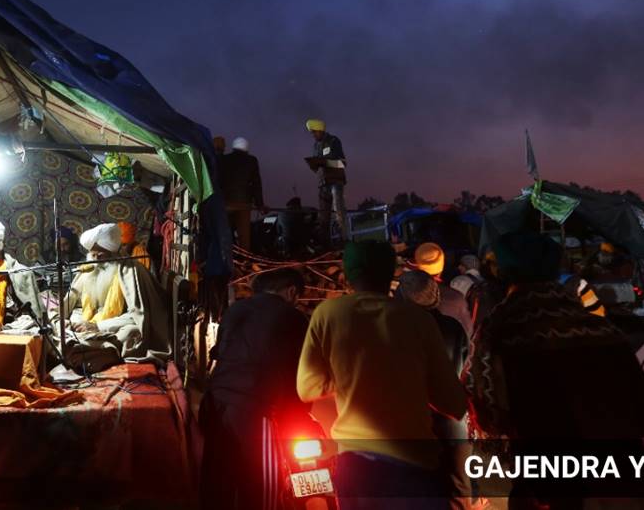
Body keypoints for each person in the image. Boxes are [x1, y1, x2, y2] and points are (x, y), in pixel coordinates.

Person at [463, 232, 644, 508]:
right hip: (620, 480)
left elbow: (487, 415)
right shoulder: (601, 329)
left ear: (504, 273)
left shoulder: (497, 334)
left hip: (553, 487)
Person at [298, 241, 466, 508]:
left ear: (348, 274)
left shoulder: (327, 314)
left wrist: (350, 375)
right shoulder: (418, 319)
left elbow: (308, 388)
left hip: (356, 467)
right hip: (413, 463)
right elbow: (453, 403)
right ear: (391, 273)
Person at [200, 268, 311, 510]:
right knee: (261, 488)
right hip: (255, 408)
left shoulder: (235, 310)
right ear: (292, 292)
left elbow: (219, 352)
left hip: (215, 404)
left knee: (218, 482)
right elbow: (302, 368)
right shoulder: (292, 317)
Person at [397, 270, 476, 510]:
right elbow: (465, 368)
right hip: (453, 419)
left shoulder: (398, 330)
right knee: (458, 488)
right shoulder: (452, 326)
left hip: (414, 419)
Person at [62, 223, 172, 368]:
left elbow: (138, 315)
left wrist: (98, 326)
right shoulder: (88, 270)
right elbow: (72, 302)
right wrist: (72, 321)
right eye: (93, 255)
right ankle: (86, 350)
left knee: (131, 333)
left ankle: (88, 352)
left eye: (101, 256)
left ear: (114, 254)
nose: (96, 260)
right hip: (87, 322)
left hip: (115, 324)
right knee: (63, 328)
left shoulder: (130, 272)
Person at [304, 119, 349, 244]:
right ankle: (325, 245)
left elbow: (342, 163)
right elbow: (318, 166)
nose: (313, 135)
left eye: (314, 132)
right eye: (311, 133)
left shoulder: (334, 141)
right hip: (323, 184)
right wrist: (314, 165)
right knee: (323, 217)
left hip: (336, 182)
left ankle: (344, 242)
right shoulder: (316, 146)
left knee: (338, 212)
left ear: (320, 130)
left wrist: (324, 162)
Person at [416, 243, 474, 339]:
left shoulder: (407, 297)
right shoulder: (456, 298)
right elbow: (468, 331)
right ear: (442, 265)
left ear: (418, 266)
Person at [218, 136, 266, 251]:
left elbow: (218, 181)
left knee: (226, 234)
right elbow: (256, 184)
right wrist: (260, 204)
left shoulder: (224, 160)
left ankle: (227, 261)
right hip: (244, 204)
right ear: (246, 149)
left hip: (227, 204)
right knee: (244, 236)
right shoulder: (252, 161)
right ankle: (244, 261)